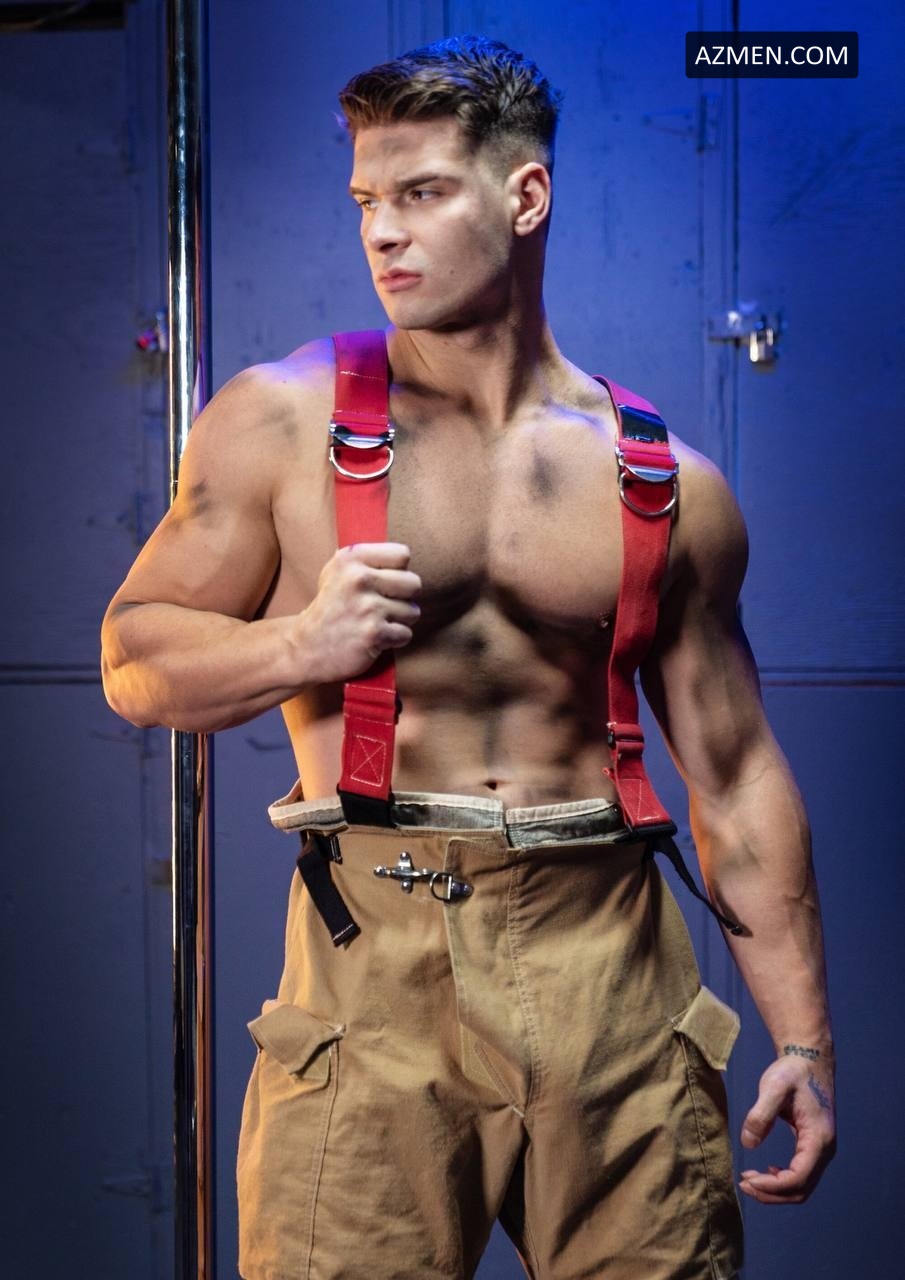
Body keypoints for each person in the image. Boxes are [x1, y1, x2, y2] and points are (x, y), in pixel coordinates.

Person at [101, 33, 836, 1280]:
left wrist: (803, 1043)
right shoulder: (276, 421)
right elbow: (134, 654)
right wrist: (300, 640)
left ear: (523, 195)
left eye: (421, 192)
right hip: (371, 972)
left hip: (610, 968)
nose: (381, 232)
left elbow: (733, 774)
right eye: (364, 202)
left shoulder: (662, 482)